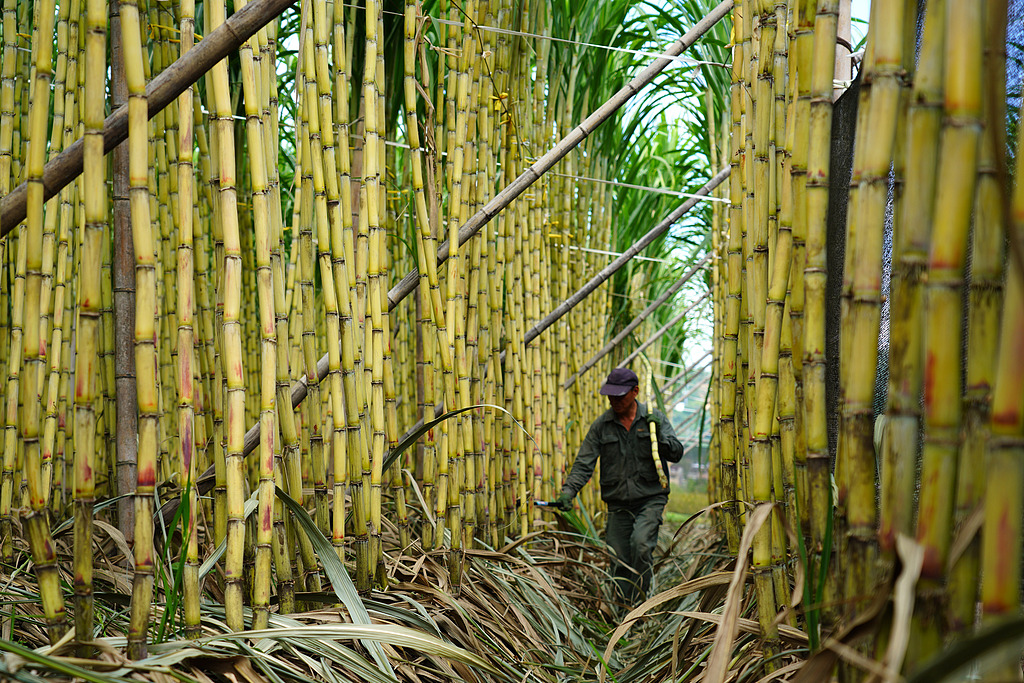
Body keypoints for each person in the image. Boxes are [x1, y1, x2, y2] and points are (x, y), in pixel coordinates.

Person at [555, 367, 684, 606]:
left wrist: (660, 437)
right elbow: (584, 463)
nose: (614, 401)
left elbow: (676, 454)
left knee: (641, 545)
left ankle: (641, 605)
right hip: (618, 503)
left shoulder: (653, 419)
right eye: (610, 396)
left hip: (650, 498)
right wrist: (568, 491)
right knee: (618, 556)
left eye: (620, 396)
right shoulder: (602, 426)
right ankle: (623, 608)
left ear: (635, 392)